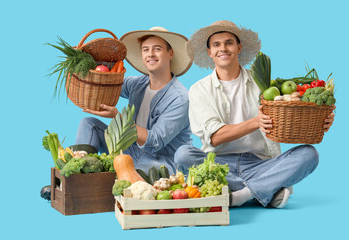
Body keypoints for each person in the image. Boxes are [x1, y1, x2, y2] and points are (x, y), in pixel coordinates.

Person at [174, 20, 335, 208]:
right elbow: (216, 137)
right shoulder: (199, 90)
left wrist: (319, 119)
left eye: (229, 42)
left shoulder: (263, 84)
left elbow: (289, 114)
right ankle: (263, 190)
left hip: (260, 164)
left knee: (309, 154)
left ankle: (241, 193)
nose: (223, 48)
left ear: (239, 47)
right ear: (209, 52)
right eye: (216, 44)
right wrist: (256, 122)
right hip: (217, 164)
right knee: (183, 154)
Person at [76, 26, 193, 174]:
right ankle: (76, 174)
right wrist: (88, 66)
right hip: (130, 150)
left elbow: (154, 141)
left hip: (159, 161)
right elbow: (108, 81)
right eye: (145, 49)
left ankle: (103, 179)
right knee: (89, 124)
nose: (150, 54)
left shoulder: (180, 98)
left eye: (157, 49)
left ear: (170, 53)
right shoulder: (138, 84)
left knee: (141, 172)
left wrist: (117, 117)